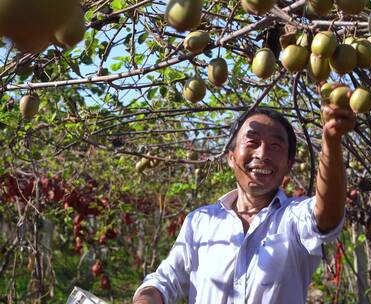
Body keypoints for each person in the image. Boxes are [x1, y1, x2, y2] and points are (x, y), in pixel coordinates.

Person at [132, 104, 355, 304]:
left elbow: (327, 216)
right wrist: (147, 298)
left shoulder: (294, 218)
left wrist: (331, 140)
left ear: (288, 165)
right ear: (231, 157)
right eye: (252, 142)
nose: (262, 153)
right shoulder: (200, 222)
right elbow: (164, 281)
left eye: (275, 146)